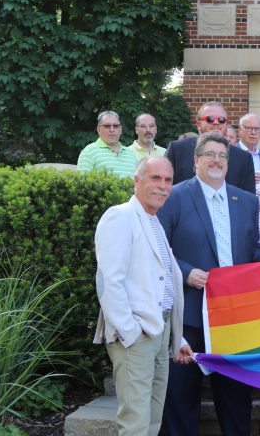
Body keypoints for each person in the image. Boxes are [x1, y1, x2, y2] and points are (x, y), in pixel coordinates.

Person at [158, 133, 260, 436]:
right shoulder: (175, 196)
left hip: (235, 318)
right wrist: (185, 272)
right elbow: (158, 249)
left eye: (222, 155)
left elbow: (253, 249)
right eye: (209, 154)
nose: (216, 161)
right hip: (190, 316)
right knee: (181, 398)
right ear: (196, 160)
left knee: (235, 399)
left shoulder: (246, 201)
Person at [93, 157, 192, 436]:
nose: (162, 186)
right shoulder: (120, 216)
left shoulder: (154, 221)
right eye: (155, 178)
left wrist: (177, 337)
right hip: (136, 336)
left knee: (151, 421)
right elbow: (109, 281)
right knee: (135, 424)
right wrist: (129, 332)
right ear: (137, 181)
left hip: (160, 332)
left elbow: (159, 286)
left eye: (168, 180)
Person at [164, 102, 255, 193]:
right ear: (198, 125)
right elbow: (164, 187)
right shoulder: (177, 150)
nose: (216, 122)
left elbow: (248, 200)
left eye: (222, 119)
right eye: (210, 119)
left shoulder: (243, 158)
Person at [77, 110, 138, 178]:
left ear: (120, 129)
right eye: (107, 126)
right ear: (98, 130)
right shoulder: (89, 152)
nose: (112, 130)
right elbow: (83, 184)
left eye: (115, 126)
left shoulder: (131, 154)